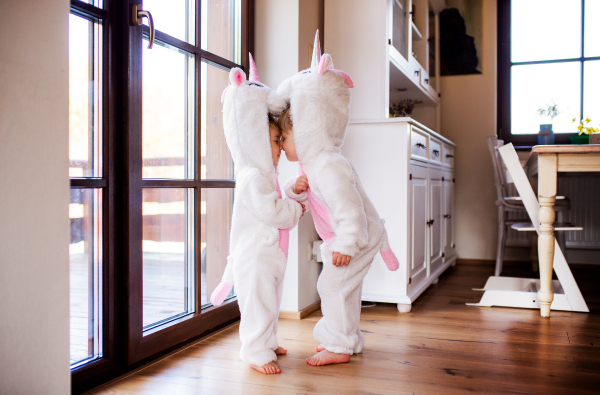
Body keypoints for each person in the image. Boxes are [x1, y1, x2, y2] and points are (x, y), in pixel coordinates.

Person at [277, 32, 399, 367]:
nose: (282, 144)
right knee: (344, 290)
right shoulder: (312, 165)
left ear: (305, 132)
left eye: (285, 137)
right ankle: (348, 341)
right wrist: (294, 189)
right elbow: (308, 201)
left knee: (330, 287)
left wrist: (346, 243)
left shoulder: (328, 166)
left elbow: (350, 208)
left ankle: (340, 345)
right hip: (349, 236)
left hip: (356, 236)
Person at [210, 54, 305, 375]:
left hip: (270, 256)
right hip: (254, 257)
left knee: (270, 303)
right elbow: (274, 211)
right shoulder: (252, 176)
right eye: (276, 141)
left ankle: (267, 339)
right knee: (257, 305)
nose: (280, 147)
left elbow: (276, 199)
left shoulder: (266, 176)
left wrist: (293, 188)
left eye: (281, 140)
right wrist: (298, 207)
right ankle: (254, 349)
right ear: (256, 141)